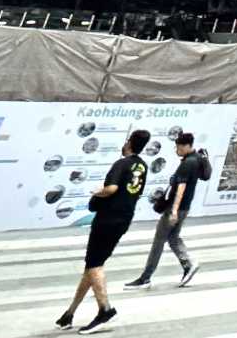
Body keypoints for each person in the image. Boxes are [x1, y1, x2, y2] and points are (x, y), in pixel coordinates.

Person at [58, 128, 150, 333]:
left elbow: (111, 189)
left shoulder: (121, 163)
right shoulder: (142, 166)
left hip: (107, 219)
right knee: (92, 267)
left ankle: (105, 310)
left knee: (94, 265)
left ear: (129, 143)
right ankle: (70, 313)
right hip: (123, 219)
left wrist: (96, 192)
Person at [124, 132, 208, 289]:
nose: (177, 150)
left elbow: (181, 188)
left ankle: (145, 278)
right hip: (185, 207)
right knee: (173, 238)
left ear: (186, 146)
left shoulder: (187, 163)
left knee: (159, 241)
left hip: (176, 208)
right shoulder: (196, 159)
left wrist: (174, 211)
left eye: (178, 147)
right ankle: (188, 263)